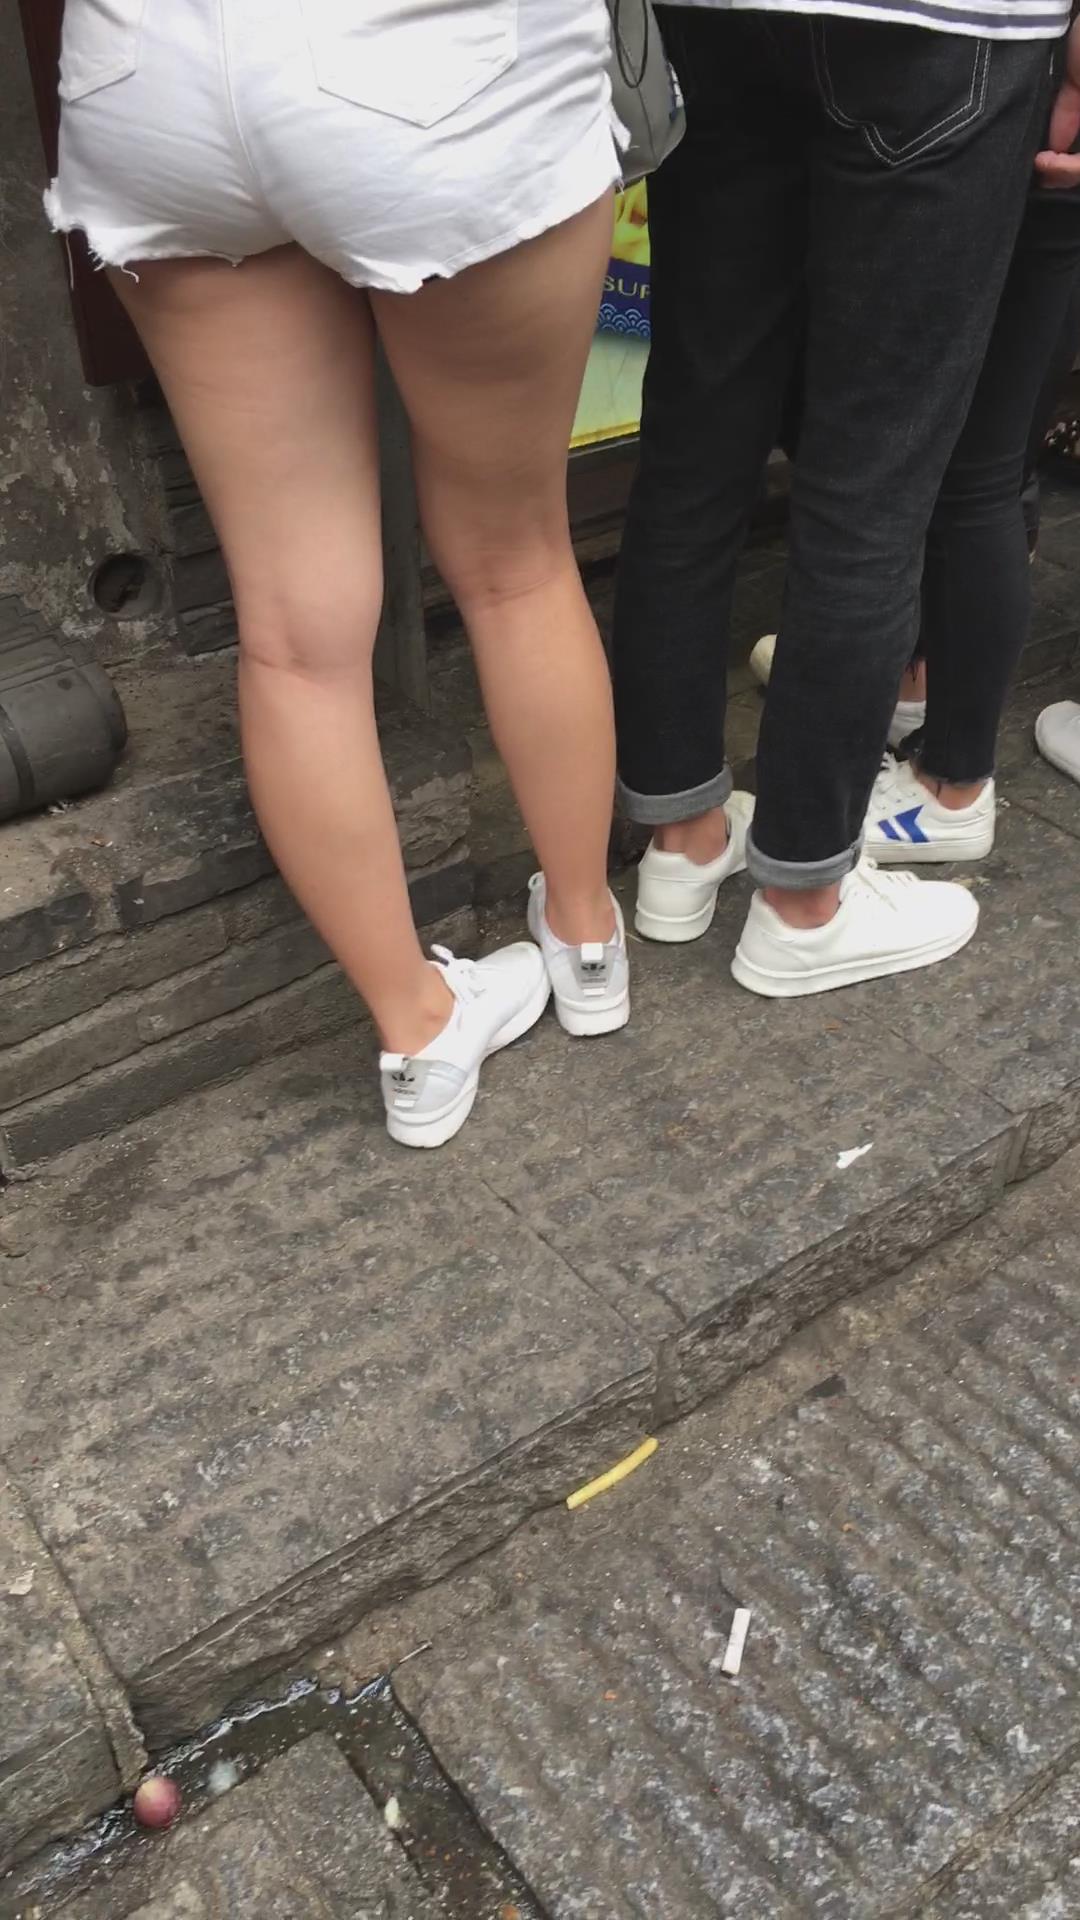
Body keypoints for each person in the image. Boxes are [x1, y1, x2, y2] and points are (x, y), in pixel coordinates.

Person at [48, 0, 630, 1148]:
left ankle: (419, 1037)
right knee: (515, 560)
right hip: (427, 61)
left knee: (293, 634)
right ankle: (586, 939)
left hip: (147, 71)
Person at [614, 0, 1076, 997]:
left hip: (720, 16)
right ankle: (802, 905)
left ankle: (682, 842)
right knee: (872, 483)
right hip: (947, 31)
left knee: (695, 447)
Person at [752, 165, 1080, 866]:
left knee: (975, 475)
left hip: (1006, 153)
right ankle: (916, 697)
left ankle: (950, 788)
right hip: (1017, 155)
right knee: (973, 467)